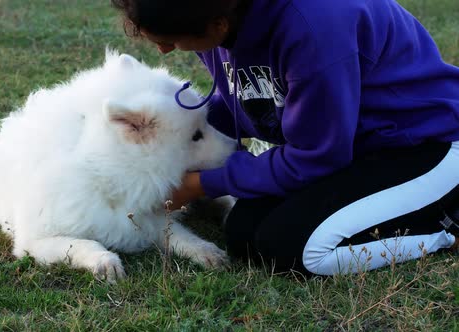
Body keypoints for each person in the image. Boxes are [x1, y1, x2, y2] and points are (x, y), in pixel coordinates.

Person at [110, 0, 459, 275]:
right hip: (353, 149)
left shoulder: (314, 26)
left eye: (169, 40)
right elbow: (246, 101)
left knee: (297, 250)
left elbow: (315, 156)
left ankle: (447, 228)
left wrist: (201, 184)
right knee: (245, 234)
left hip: (425, 144)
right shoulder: (214, 15)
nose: (165, 51)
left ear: (218, 24)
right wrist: (174, 135)